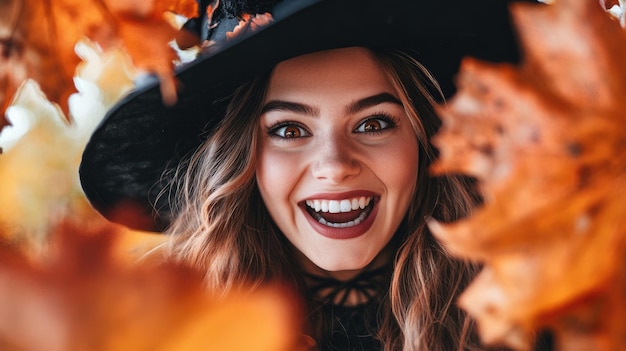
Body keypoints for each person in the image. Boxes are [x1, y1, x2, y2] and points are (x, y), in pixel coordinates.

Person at [80, 0, 546, 350]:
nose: (334, 165)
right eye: (288, 129)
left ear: (430, 141)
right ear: (239, 159)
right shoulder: (165, 335)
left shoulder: (550, 317)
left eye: (374, 123)